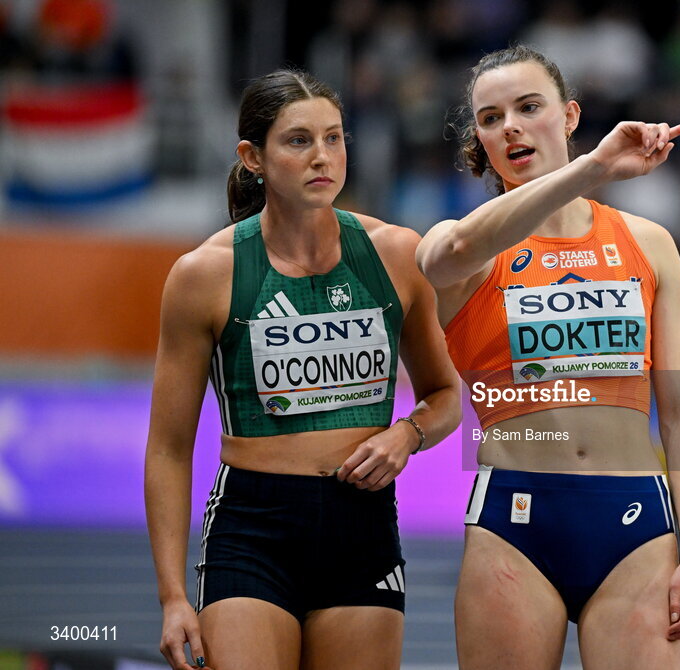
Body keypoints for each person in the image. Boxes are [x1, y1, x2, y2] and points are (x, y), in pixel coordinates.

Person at [145, 69, 461, 670]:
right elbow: (166, 447)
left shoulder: (395, 254)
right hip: (252, 528)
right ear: (252, 157)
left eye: (335, 138)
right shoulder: (204, 274)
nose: (323, 156)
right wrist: (172, 597)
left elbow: (445, 394)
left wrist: (407, 434)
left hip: (362, 527)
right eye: (298, 141)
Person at [417, 46, 680, 669]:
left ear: (571, 115)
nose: (511, 127)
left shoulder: (649, 244)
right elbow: (446, 255)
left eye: (529, 108)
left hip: (635, 524)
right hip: (513, 526)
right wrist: (595, 167)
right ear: (481, 139)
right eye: (491, 118)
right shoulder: (459, 245)